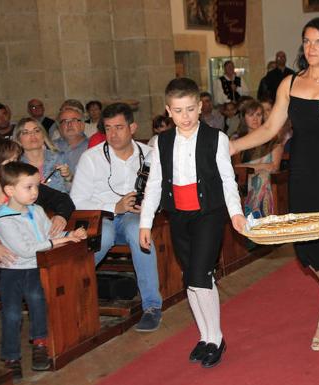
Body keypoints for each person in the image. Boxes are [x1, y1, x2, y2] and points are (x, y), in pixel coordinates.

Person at [230, 17, 319, 351]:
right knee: (305, 246)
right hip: (302, 171)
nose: (311, 48)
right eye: (306, 41)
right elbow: (271, 128)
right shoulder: (289, 83)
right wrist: (235, 145)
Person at [139, 77, 246, 368]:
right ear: (168, 111)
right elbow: (156, 184)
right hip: (178, 217)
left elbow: (227, 179)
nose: (184, 116)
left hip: (208, 214)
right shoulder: (161, 143)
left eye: (189, 109)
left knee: (201, 274)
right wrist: (145, 222)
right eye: (178, 110)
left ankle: (217, 337)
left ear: (200, 107)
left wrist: (235, 212)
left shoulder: (216, 138)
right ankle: (204, 336)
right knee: (191, 278)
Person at [70, 102, 163, 332]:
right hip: (102, 217)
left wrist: (149, 206)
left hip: (135, 218)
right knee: (105, 233)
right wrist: (114, 206)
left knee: (137, 230)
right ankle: (71, 296)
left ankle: (152, 306)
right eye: (108, 128)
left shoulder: (149, 155)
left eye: (119, 127)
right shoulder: (91, 158)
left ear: (132, 127)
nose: (113, 134)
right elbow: (77, 201)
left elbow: (162, 190)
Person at [0, 161, 86, 380]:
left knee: (38, 303)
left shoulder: (37, 210)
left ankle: (40, 344)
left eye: (36, 186)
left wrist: (70, 235)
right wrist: (61, 242)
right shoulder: (2, 219)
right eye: (29, 187)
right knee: (12, 314)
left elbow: (47, 235)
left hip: (35, 268)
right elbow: (24, 250)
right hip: (12, 272)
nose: (35, 192)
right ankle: (11, 357)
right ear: (10, 190)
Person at [0, 137, 75, 323]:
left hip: (20, 254)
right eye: (10, 161)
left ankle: (41, 340)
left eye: (17, 160)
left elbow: (63, 200)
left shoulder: (22, 188)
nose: (16, 165)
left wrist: (60, 216)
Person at [236, 100, 284, 218]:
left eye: (258, 115)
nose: (255, 119)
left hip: (266, 182)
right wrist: (261, 167)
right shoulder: (237, 141)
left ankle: (260, 218)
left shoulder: (273, 140)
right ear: (244, 118)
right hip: (242, 184)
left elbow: (273, 167)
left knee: (262, 177)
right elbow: (235, 168)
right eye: (251, 115)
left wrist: (248, 168)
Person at [13, 118, 72, 193]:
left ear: (43, 135)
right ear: (19, 140)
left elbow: (75, 191)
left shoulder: (60, 158)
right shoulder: (15, 166)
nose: (33, 135)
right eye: (26, 132)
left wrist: (68, 177)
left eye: (36, 131)